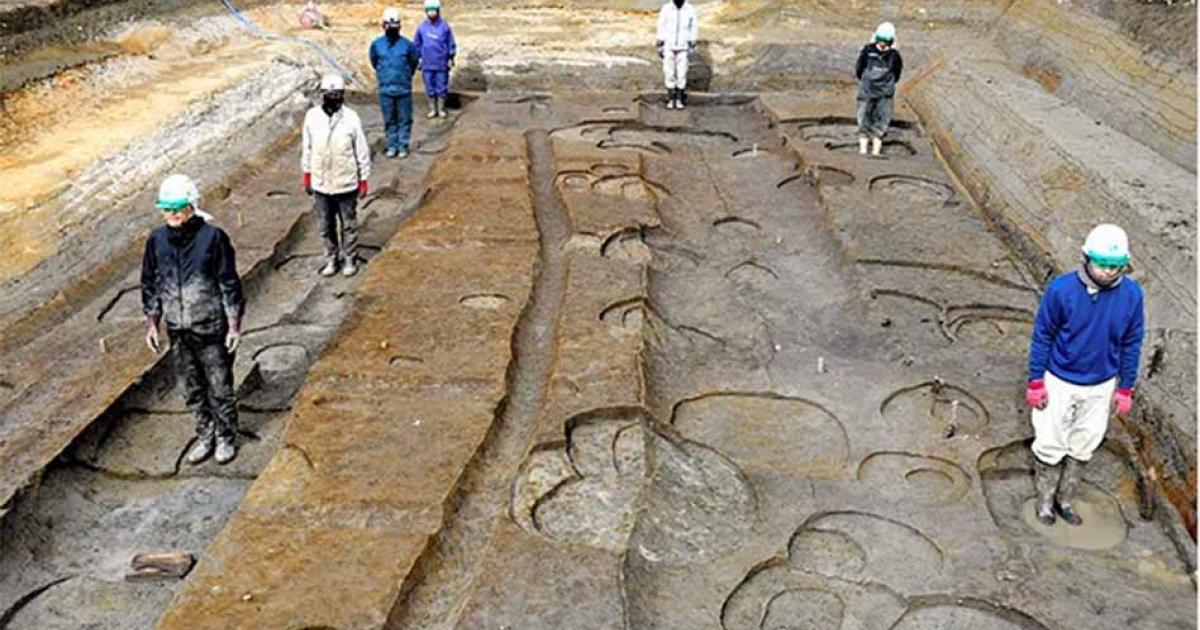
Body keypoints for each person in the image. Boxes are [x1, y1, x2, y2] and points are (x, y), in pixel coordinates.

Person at [1025, 224, 1145, 526]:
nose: (1108, 272)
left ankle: (1065, 500)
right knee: (1050, 443)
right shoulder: (1061, 291)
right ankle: (1044, 503)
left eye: (1116, 267)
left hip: (1101, 384)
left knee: (1084, 444)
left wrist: (1125, 388)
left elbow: (1132, 342)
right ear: (1086, 258)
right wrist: (1036, 381)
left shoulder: (1132, 295)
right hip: (1060, 380)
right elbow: (1043, 337)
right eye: (1103, 264)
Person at [141, 174, 245, 465]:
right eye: (166, 209)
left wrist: (234, 323)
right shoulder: (156, 240)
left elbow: (228, 282)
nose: (172, 214)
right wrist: (152, 321)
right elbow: (150, 282)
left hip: (210, 328)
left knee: (220, 387)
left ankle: (226, 436)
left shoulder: (213, 238)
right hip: (178, 330)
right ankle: (205, 434)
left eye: (177, 208)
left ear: (192, 206)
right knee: (191, 388)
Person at [302, 73, 371, 277]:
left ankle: (350, 258)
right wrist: (307, 174)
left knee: (348, 224)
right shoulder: (312, 117)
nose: (334, 98)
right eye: (330, 94)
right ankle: (331, 259)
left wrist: (363, 178)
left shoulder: (351, 118)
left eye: (338, 94)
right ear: (323, 94)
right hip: (321, 183)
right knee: (326, 225)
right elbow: (307, 147)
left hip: (345, 181)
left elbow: (361, 149)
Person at [369, 8, 420, 158]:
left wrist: (405, 77)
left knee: (404, 119)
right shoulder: (377, 45)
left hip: (403, 89)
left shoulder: (407, 45)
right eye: (388, 25)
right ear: (382, 25)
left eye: (394, 25)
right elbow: (374, 61)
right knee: (389, 120)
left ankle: (403, 146)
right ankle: (392, 145)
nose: (391, 28)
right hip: (386, 90)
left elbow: (413, 62)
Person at [854, 22, 902, 157]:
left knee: (882, 117)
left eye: (886, 41)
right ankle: (863, 148)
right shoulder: (867, 51)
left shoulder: (894, 56)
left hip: (884, 93)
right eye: (880, 40)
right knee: (864, 116)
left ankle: (876, 148)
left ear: (891, 41)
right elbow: (859, 68)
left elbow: (897, 73)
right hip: (867, 91)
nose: (882, 43)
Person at [414, 0, 456, 119]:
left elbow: (450, 43)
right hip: (427, 63)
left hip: (441, 63)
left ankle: (441, 109)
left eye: (434, 11)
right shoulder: (422, 28)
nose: (432, 13)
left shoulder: (444, 27)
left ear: (438, 11)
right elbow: (417, 44)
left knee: (441, 86)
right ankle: (433, 109)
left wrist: (450, 57)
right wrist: (418, 58)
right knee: (429, 86)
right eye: (429, 11)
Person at [656, 0, 697, 110]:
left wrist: (692, 43)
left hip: (683, 47)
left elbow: (693, 27)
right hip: (669, 46)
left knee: (682, 72)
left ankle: (679, 98)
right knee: (669, 72)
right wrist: (660, 43)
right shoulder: (666, 9)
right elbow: (661, 25)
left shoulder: (690, 9)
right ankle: (671, 98)